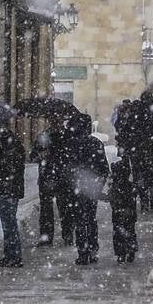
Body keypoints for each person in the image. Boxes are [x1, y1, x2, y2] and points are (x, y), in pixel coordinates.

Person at [61, 113, 110, 265]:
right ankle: (92, 250)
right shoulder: (95, 143)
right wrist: (97, 185)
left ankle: (83, 251)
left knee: (80, 220)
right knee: (90, 219)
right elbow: (104, 168)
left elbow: (66, 168)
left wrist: (69, 184)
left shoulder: (71, 144)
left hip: (77, 188)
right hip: (91, 188)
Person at [32, 121, 75, 246]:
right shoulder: (44, 136)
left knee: (65, 208)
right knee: (46, 209)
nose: (56, 123)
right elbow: (33, 155)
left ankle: (67, 235)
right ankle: (47, 236)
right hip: (47, 177)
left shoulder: (67, 136)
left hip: (62, 178)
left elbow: (72, 156)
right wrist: (40, 155)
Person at [0, 125, 25, 267]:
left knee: (9, 225)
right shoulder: (10, 146)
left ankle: (14, 256)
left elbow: (5, 168)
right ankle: (9, 254)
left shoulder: (8, 148)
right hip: (8, 190)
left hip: (7, 190)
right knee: (8, 225)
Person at [110, 153, 138, 263]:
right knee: (130, 231)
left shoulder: (115, 188)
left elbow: (112, 199)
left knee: (118, 234)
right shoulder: (130, 186)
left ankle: (121, 253)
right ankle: (131, 250)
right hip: (130, 214)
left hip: (118, 214)